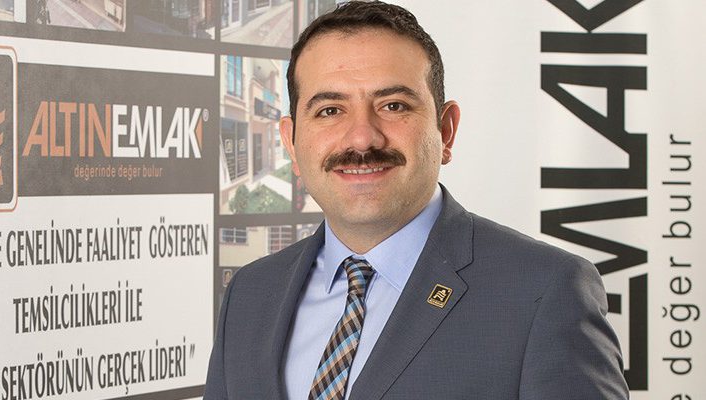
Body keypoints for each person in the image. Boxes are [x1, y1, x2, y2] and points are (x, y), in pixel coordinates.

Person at [203, 1, 629, 399]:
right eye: (330, 110)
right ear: (291, 143)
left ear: (446, 132)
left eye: (393, 105)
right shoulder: (250, 293)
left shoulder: (545, 291)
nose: (362, 138)